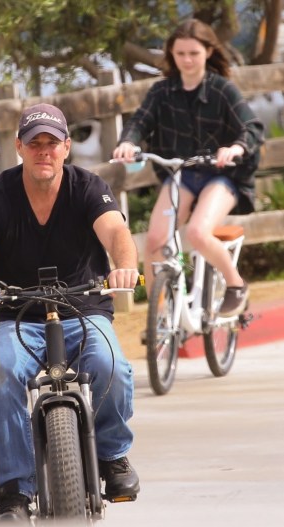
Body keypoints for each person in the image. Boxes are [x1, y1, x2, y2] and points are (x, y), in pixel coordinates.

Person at [0, 102, 140, 526]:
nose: (43, 152)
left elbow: (117, 233)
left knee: (111, 365)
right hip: (19, 317)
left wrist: (125, 264)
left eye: (51, 143)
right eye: (34, 143)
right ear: (19, 147)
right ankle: (13, 492)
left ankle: (112, 456)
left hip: (84, 307)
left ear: (66, 148)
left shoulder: (87, 187)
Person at [113, 18, 264, 318]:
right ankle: (160, 320)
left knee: (197, 232)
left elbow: (252, 128)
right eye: (180, 54)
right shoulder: (161, 91)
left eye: (193, 53)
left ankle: (236, 286)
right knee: (155, 240)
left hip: (222, 177)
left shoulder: (223, 90)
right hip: (180, 174)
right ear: (171, 54)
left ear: (208, 51)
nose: (187, 60)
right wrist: (128, 142)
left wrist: (235, 148)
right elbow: (139, 122)